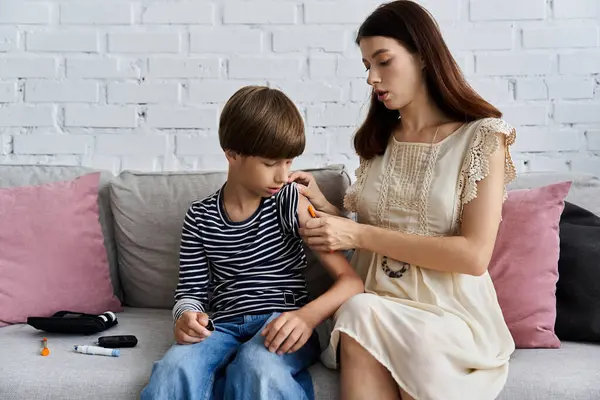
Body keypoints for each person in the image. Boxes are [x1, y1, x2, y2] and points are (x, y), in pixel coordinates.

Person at [288, 1, 517, 399]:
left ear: (424, 56)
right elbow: (380, 225)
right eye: (366, 66)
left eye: (383, 61)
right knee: (359, 311)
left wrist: (356, 234)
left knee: (362, 313)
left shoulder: (482, 138)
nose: (372, 78)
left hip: (448, 316)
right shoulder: (378, 144)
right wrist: (329, 211)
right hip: (375, 303)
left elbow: (473, 256)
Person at [141, 86, 364, 400]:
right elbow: (190, 293)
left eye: (289, 162)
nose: (283, 175)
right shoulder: (199, 217)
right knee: (173, 370)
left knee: (257, 367)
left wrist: (306, 317)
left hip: (283, 322)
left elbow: (351, 281)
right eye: (271, 163)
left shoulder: (290, 201)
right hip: (222, 326)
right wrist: (185, 317)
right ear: (232, 154)